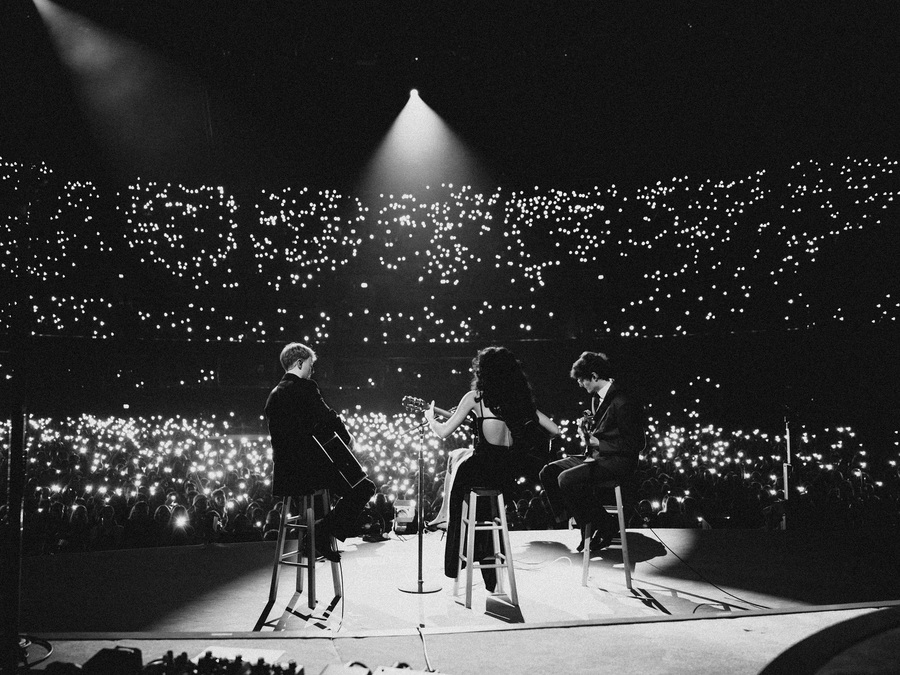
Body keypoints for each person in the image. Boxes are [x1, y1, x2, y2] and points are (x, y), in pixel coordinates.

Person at [424, 346, 558, 590]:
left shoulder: (475, 398)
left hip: (479, 470)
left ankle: (454, 547)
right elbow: (554, 430)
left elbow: (443, 432)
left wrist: (430, 419)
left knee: (459, 483)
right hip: (506, 475)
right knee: (485, 510)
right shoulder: (520, 401)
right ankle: (489, 566)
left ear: (483, 372)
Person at [265, 342, 376, 561]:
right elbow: (328, 417)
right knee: (365, 488)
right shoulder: (306, 387)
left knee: (348, 490)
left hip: (286, 477)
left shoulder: (273, 395)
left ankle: (319, 535)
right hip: (310, 471)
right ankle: (320, 534)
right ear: (299, 363)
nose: (312, 370)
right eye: (310, 364)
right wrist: (348, 438)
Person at [539, 351, 646, 552]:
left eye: (582, 379)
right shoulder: (596, 399)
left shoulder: (623, 400)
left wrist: (599, 443)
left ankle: (603, 525)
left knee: (566, 479)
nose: (580, 384)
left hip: (618, 461)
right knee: (548, 472)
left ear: (594, 376)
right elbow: (603, 432)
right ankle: (582, 520)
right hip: (597, 457)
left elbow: (636, 443)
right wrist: (587, 433)